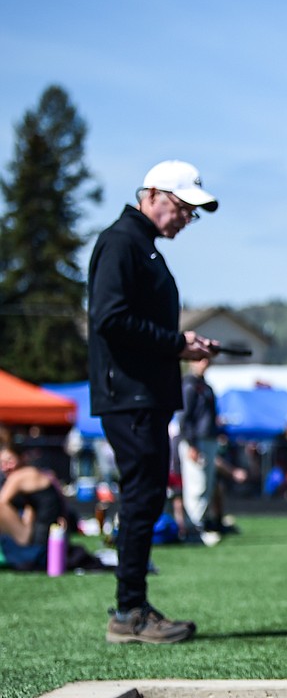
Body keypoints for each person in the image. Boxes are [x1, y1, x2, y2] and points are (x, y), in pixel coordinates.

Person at [88, 159, 220, 644]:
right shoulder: (123, 243)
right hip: (130, 396)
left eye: (192, 212)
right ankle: (129, 612)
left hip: (140, 394)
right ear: (153, 195)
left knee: (144, 499)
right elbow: (110, 318)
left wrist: (179, 343)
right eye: (183, 207)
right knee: (141, 500)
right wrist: (175, 344)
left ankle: (133, 607)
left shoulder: (140, 245)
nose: (187, 218)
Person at [0, 434, 67, 571]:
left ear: (21, 458)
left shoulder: (20, 476)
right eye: (1, 463)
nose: (5, 467)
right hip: (47, 541)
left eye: (9, 460)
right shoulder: (36, 474)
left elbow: (2, 502)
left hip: (39, 546)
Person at [178, 357, 219, 538]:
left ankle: (200, 523)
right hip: (196, 441)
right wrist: (192, 444)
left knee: (206, 485)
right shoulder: (189, 386)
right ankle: (194, 528)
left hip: (208, 438)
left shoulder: (206, 386)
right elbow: (185, 418)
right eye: (201, 359)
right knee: (197, 485)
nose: (205, 363)